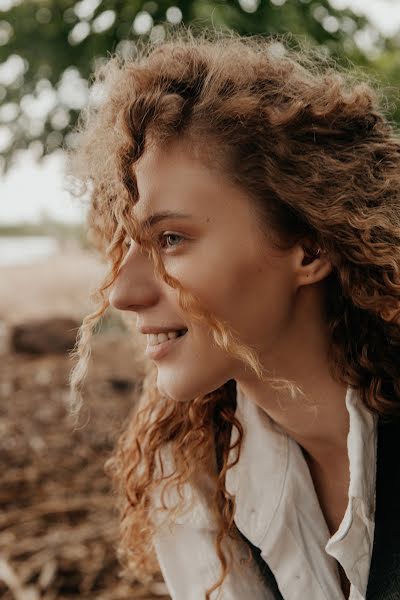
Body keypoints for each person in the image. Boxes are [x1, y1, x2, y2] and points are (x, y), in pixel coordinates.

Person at [69, 28, 400, 600]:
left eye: (170, 238)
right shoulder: (191, 467)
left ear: (310, 247)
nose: (120, 293)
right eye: (124, 245)